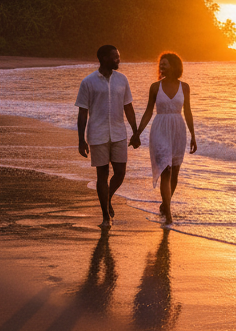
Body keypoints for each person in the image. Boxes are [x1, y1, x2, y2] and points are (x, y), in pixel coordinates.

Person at [75, 44, 138, 228]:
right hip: (97, 134)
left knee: (120, 173)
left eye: (118, 56)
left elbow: (128, 107)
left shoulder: (122, 79)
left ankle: (107, 197)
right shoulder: (88, 82)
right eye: (115, 57)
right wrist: (81, 140)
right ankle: (105, 217)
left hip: (119, 133)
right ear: (103, 58)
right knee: (102, 176)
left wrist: (135, 132)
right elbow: (82, 113)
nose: (118, 59)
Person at [131, 51, 196, 225]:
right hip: (160, 129)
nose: (161, 66)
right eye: (160, 64)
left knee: (175, 172)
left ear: (174, 66)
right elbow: (148, 111)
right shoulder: (155, 87)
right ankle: (168, 214)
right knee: (165, 171)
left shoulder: (185, 87)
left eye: (165, 63)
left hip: (178, 130)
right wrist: (137, 133)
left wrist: (193, 135)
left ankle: (165, 204)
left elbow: (188, 112)